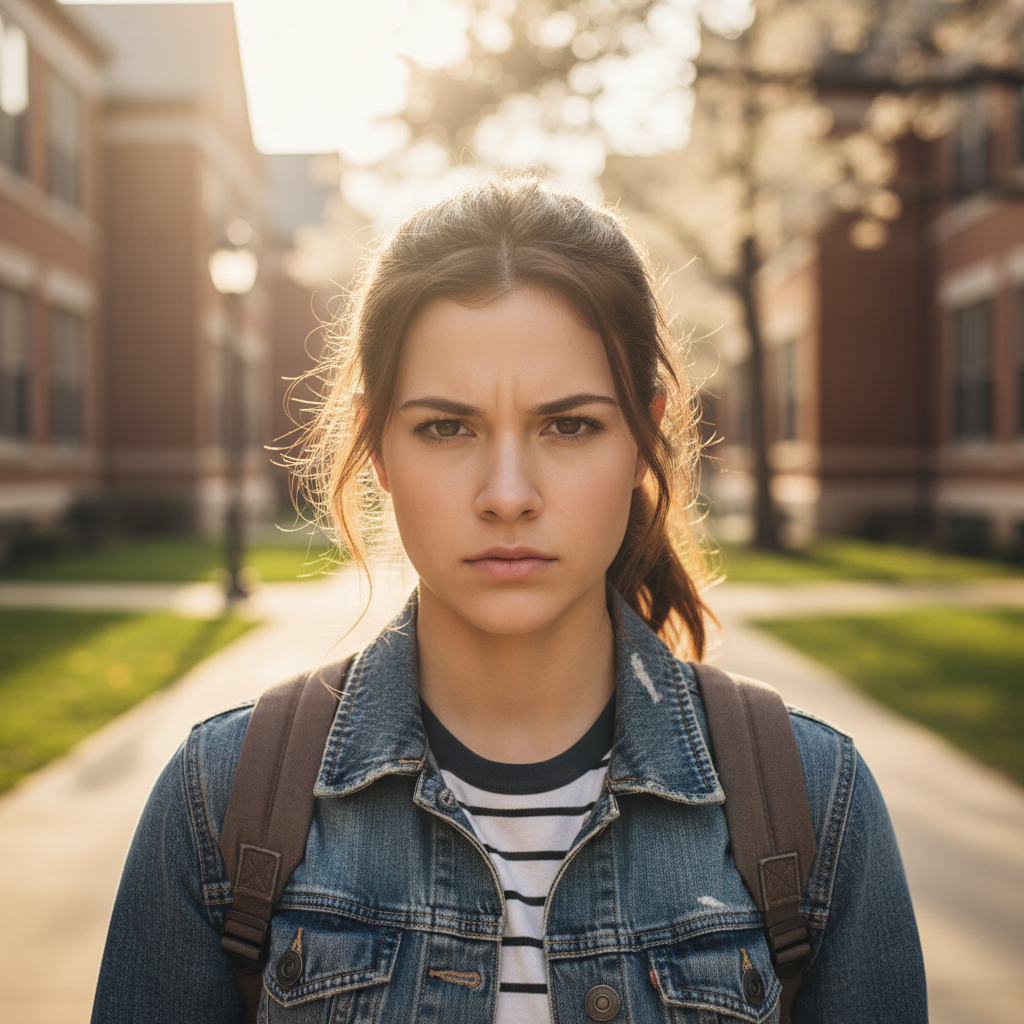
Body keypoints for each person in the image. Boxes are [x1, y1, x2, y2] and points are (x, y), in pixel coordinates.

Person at [91, 178, 927, 1023]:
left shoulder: (817, 803)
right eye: (446, 427)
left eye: (568, 425)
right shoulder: (219, 801)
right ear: (377, 448)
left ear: (644, 435)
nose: (507, 495)